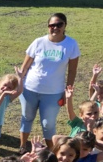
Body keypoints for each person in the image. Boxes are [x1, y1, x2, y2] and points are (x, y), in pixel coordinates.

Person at [17, 13, 80, 152]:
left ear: (65, 26)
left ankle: (52, 151)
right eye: (52, 25)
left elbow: (72, 71)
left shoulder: (71, 44)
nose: (55, 28)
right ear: (48, 27)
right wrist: (20, 84)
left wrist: (67, 91)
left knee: (48, 124)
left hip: (54, 92)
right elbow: (25, 67)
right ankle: (22, 146)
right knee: (27, 118)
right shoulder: (38, 42)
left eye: (59, 24)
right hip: (30, 88)